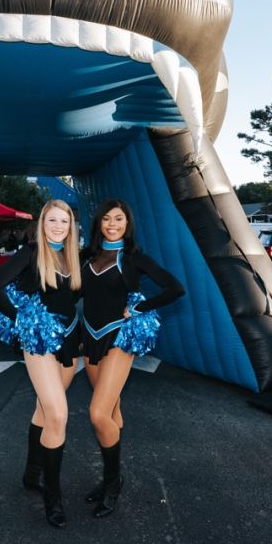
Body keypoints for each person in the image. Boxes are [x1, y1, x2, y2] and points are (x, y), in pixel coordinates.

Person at [79, 199, 184, 519]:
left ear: (128, 224)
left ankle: (113, 484)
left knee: (97, 413)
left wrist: (139, 307)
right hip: (89, 340)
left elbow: (174, 288)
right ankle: (110, 477)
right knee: (111, 410)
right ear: (98, 223)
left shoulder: (135, 258)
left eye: (119, 219)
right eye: (107, 218)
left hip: (118, 340)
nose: (112, 224)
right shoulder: (87, 255)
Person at [0, 200, 83, 528]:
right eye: (52, 220)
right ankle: (52, 499)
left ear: (71, 226)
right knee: (58, 414)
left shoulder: (73, 257)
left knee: (44, 410)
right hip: (39, 343)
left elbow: (74, 299)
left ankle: (31, 475)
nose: (58, 226)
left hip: (69, 342)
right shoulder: (30, 253)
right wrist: (23, 319)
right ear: (42, 223)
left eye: (64, 221)